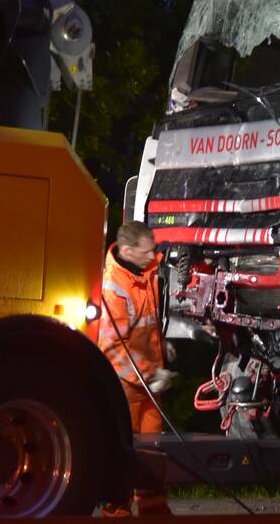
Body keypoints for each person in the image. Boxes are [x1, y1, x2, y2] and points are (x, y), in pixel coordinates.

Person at [97, 221, 174, 517]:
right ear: (127, 251)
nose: (152, 255)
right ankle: (117, 511)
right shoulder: (113, 287)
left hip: (148, 380)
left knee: (151, 450)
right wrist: (152, 373)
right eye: (146, 251)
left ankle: (153, 508)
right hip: (125, 386)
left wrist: (161, 345)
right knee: (124, 451)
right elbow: (113, 347)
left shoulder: (145, 269)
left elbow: (147, 321)